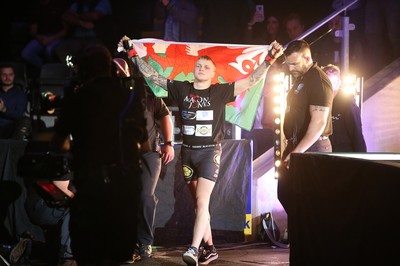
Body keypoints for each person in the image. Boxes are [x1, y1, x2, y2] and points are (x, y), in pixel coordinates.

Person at [121, 36, 283, 265]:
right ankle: (211, 248)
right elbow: (153, 77)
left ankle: (193, 249)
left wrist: (269, 60)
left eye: (206, 67)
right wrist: (133, 55)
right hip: (187, 154)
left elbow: (250, 81)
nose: (201, 68)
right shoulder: (181, 88)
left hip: (209, 153)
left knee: (202, 201)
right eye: (198, 65)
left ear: (213, 73)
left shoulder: (220, 91)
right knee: (199, 205)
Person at [50, 44, 148, 265]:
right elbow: (146, 145)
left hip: (91, 185)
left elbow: (58, 143)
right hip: (125, 185)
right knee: (117, 253)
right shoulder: (130, 96)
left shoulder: (78, 97)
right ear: (109, 67)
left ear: (83, 69)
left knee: (89, 252)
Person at [281, 39, 333, 165]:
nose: (290, 68)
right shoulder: (303, 76)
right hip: (299, 146)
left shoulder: (318, 80)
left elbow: (319, 121)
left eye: (294, 64)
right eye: (288, 64)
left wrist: (297, 152)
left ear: (307, 59)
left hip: (311, 148)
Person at [24, 173, 77, 266]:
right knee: (76, 209)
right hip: (41, 205)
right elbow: (62, 191)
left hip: (58, 206)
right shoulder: (66, 162)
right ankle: (67, 259)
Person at [322, 64, 367, 152]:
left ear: (338, 82)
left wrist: (362, 160)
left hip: (343, 155)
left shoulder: (348, 104)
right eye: (324, 82)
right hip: (326, 154)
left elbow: (356, 134)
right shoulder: (319, 102)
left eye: (331, 82)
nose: (328, 86)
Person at [20, 0, 69, 79]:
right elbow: (33, 30)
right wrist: (38, 37)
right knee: (26, 54)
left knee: (49, 50)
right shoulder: (35, 8)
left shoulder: (59, 5)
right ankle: (45, 68)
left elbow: (65, 31)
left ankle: (55, 73)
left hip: (56, 37)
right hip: (41, 38)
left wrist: (50, 39)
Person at [0, 64, 31, 140]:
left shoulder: (20, 94)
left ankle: (14, 148)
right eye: (4, 75)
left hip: (10, 128)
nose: (7, 78)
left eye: (10, 75)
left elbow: (19, 114)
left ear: (14, 76)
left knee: (26, 121)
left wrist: (4, 110)